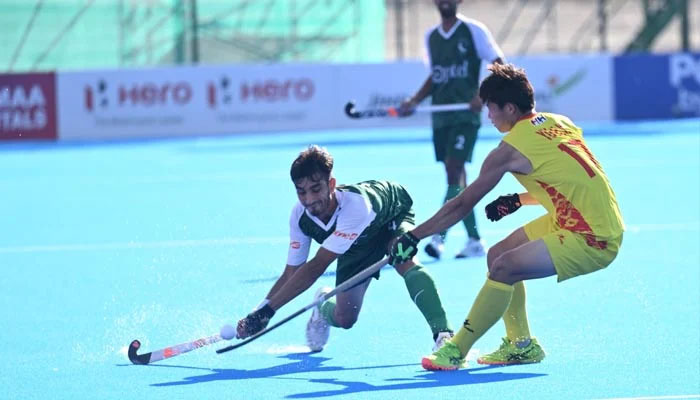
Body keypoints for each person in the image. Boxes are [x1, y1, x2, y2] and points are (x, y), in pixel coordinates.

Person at [390, 63, 625, 370]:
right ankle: (521, 345)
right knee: (497, 253)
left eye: (491, 109)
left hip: (592, 236)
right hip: (588, 219)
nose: (488, 116)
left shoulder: (509, 150)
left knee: (504, 267)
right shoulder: (558, 122)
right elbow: (571, 181)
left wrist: (413, 235)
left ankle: (455, 350)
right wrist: (518, 200)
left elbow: (462, 204)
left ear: (510, 108)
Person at [236, 145, 454, 352]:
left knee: (403, 258)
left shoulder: (355, 207)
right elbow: (292, 272)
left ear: (331, 185)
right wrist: (258, 313)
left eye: (316, 189)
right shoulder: (299, 217)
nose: (309, 200)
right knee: (345, 318)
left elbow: (317, 266)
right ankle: (321, 307)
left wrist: (269, 312)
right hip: (355, 245)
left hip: (390, 216)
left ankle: (443, 335)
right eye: (301, 192)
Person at [399, 0, 504, 260]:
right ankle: (475, 240)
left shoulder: (473, 30)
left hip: (465, 115)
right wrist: (413, 101)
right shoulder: (431, 37)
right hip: (441, 116)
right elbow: (435, 78)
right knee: (455, 178)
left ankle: (439, 237)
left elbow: (499, 63)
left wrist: (483, 94)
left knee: (455, 168)